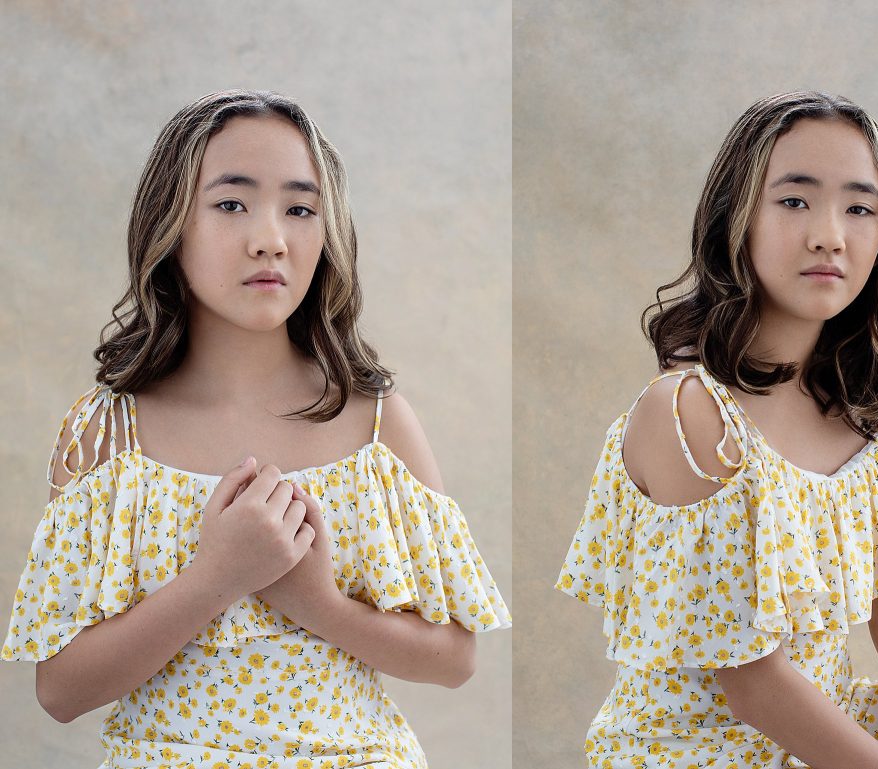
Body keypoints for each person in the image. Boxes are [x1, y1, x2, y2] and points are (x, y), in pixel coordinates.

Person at [2, 88, 511, 769]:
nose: (270, 237)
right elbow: (60, 688)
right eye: (231, 203)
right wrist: (218, 576)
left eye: (300, 208)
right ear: (171, 226)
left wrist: (317, 602)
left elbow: (455, 656)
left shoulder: (375, 422)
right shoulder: (107, 433)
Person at [555, 91, 878, 768]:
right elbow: (751, 684)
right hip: (702, 749)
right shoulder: (686, 412)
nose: (830, 233)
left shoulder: (866, 420)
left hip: (827, 722)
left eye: (860, 207)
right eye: (795, 200)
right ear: (735, 219)